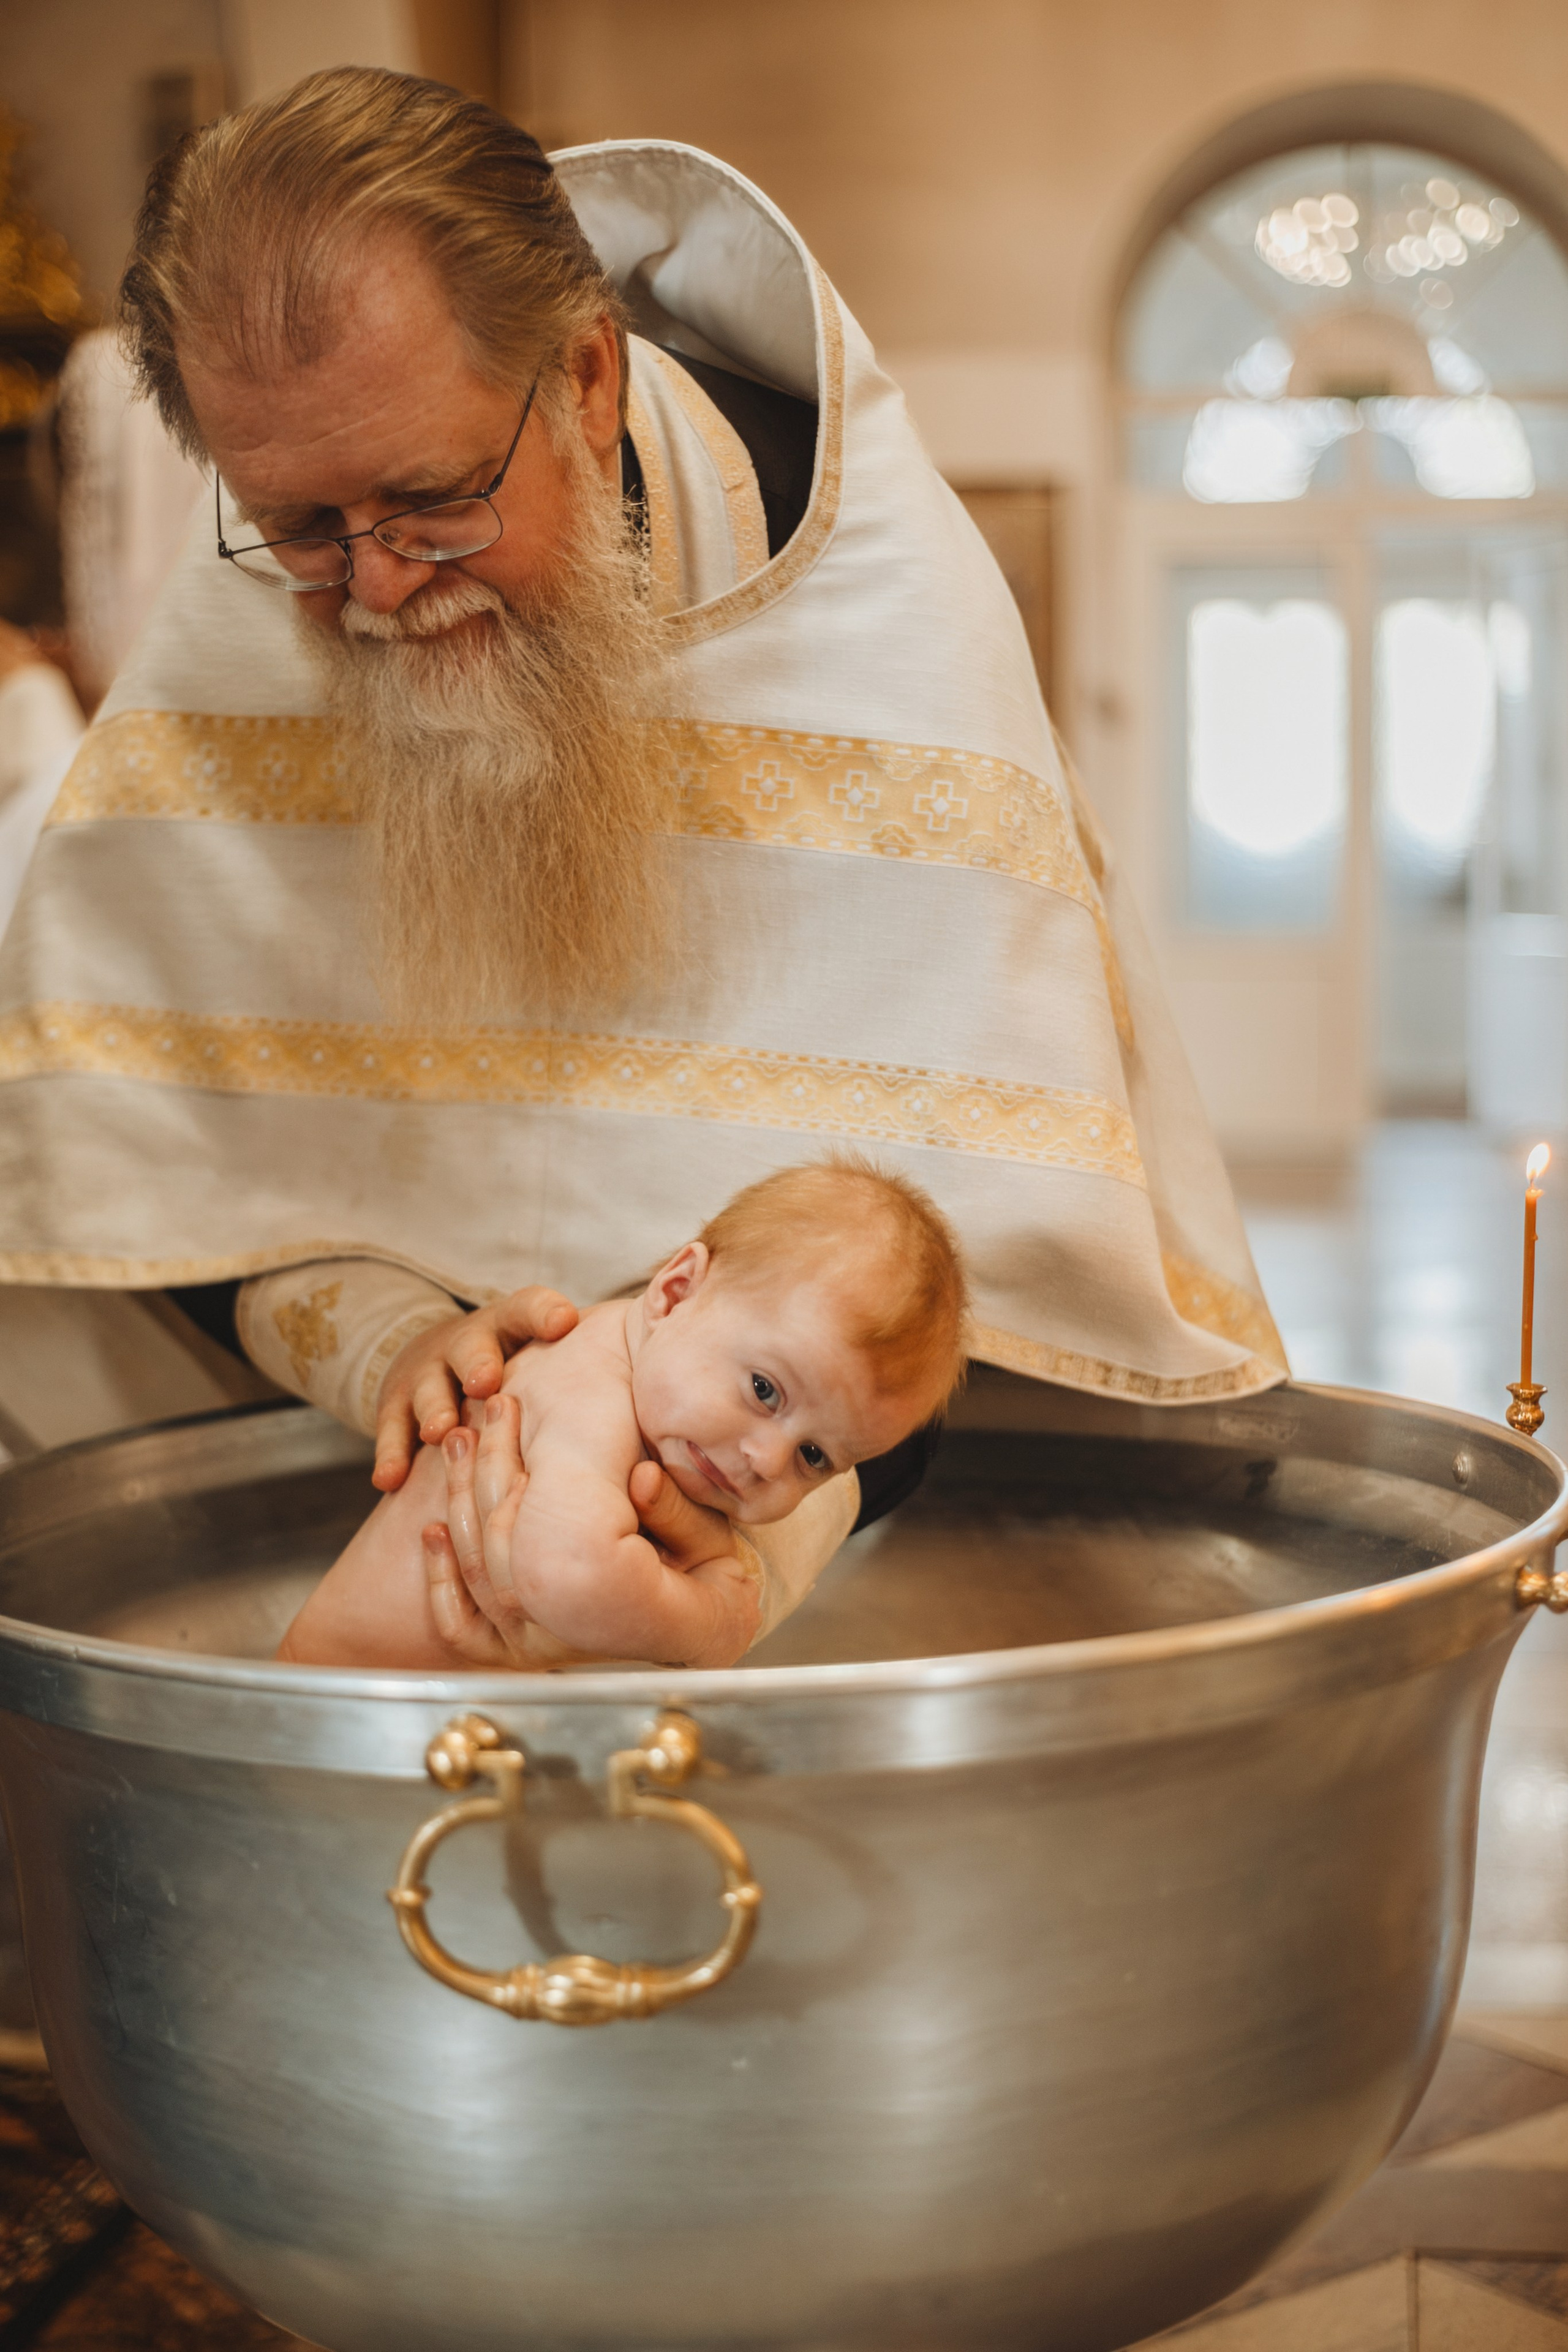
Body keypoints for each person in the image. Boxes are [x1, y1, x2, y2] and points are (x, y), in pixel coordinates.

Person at [0, 67, 1285, 1657]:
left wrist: (738, 1546)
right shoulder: (245, 614)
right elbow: (141, 1163)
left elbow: (972, 1280)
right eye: (303, 527)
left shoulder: (884, 624)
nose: (379, 587)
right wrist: (392, 1348)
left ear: (588, 378)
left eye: (433, 499)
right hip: (332, 1537)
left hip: (799, 1637)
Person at [278, 1159, 967, 1670]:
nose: (765, 1460)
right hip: (344, 1712)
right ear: (674, 1292)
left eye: (814, 1457)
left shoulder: (653, 1376)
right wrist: (712, 1623)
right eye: (764, 1390)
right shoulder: (589, 1388)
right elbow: (569, 1574)